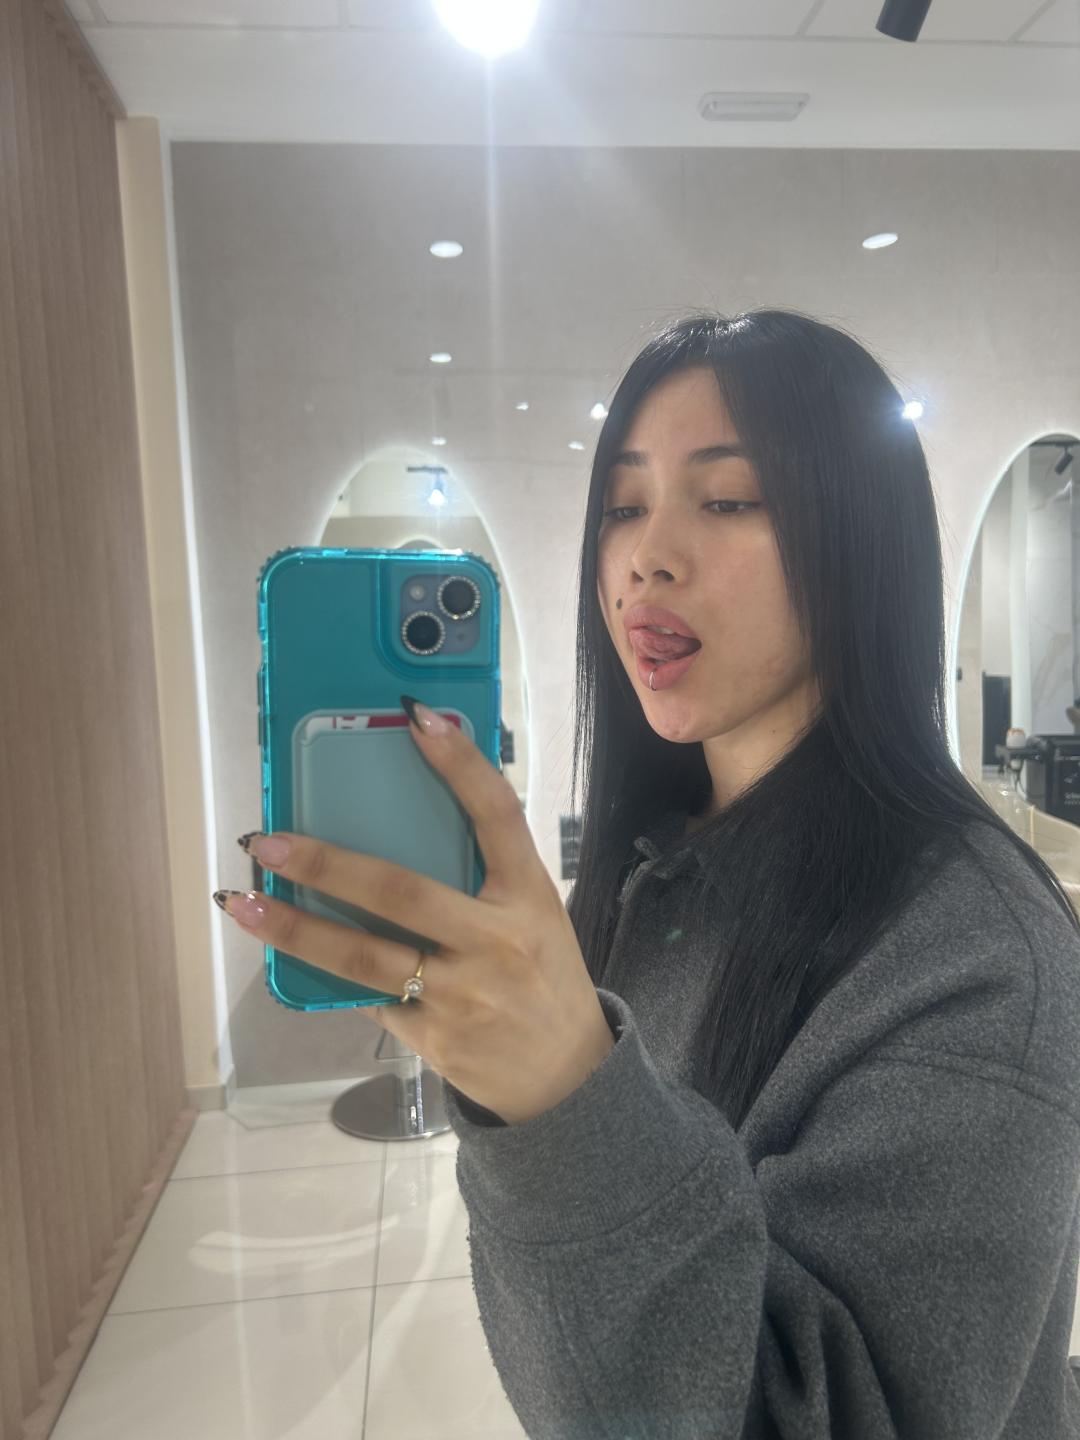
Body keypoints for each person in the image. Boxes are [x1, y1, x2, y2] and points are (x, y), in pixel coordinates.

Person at [441, 309, 1080, 1438]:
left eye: (728, 499)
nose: (647, 555)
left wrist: (564, 1101)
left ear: (856, 543)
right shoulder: (652, 867)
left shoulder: (979, 958)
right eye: (623, 506)